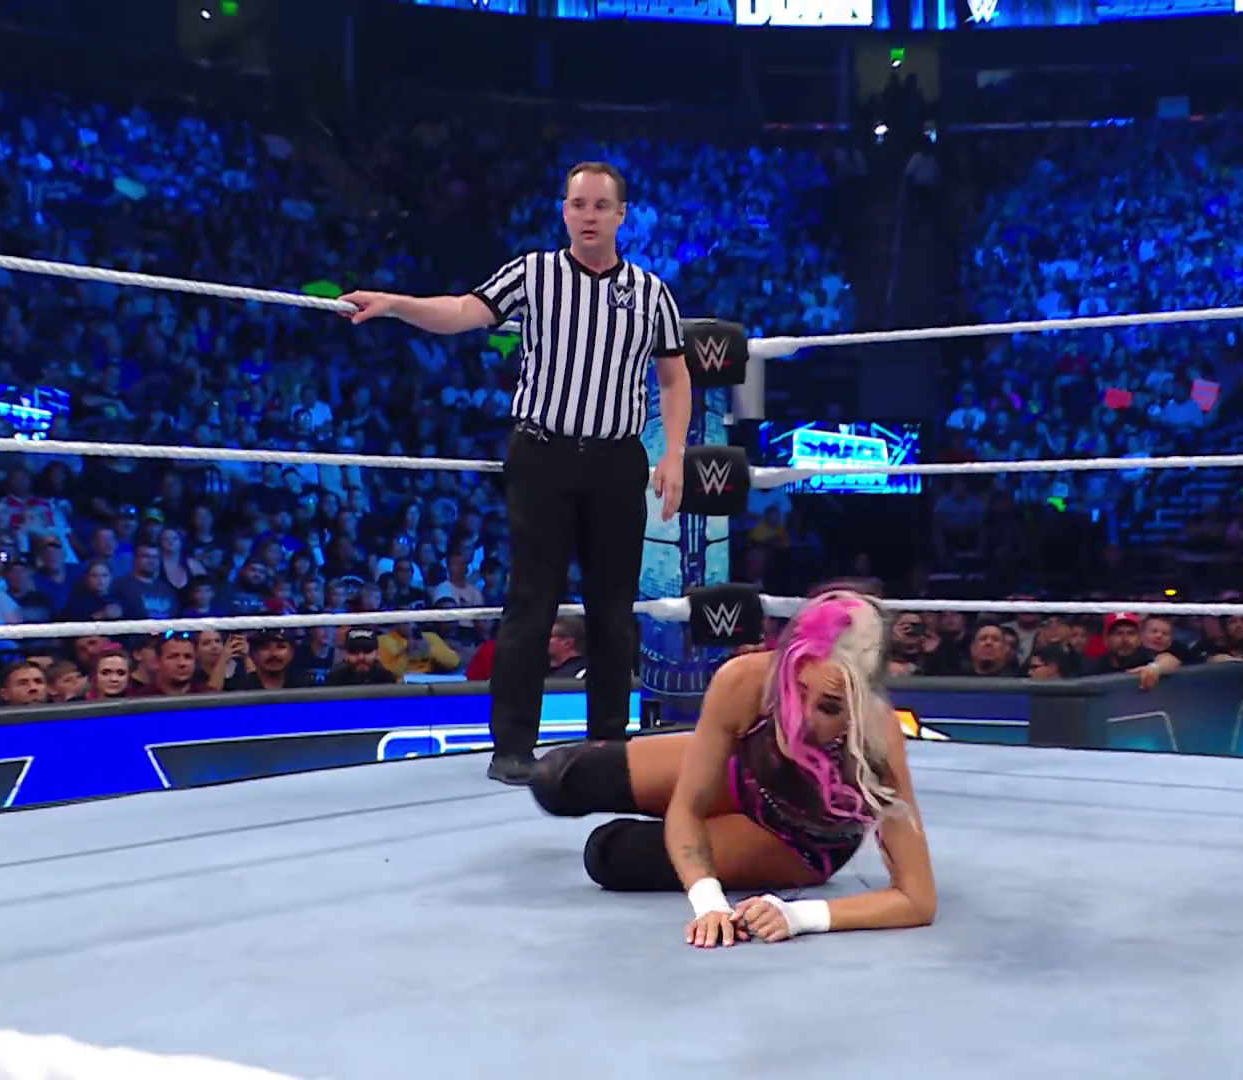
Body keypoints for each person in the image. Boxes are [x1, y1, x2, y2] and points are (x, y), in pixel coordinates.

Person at [340, 162, 694, 785]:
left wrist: (674, 454)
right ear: (565, 211)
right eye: (578, 204)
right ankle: (511, 746)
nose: (588, 216)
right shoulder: (534, 273)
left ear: (621, 215)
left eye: (600, 205)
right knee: (531, 599)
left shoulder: (651, 292)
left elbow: (674, 375)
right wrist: (395, 304)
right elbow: (461, 310)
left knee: (613, 606)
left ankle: (609, 743)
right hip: (543, 454)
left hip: (617, 459)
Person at [526, 588, 937, 947]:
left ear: (858, 707)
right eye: (797, 689)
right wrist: (708, 902)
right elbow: (687, 806)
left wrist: (801, 916)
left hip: (794, 838)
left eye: (829, 707)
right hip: (742, 775)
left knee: (610, 855)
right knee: (558, 777)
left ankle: (717, 839)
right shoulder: (746, 681)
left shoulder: (876, 739)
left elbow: (916, 899)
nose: (803, 718)